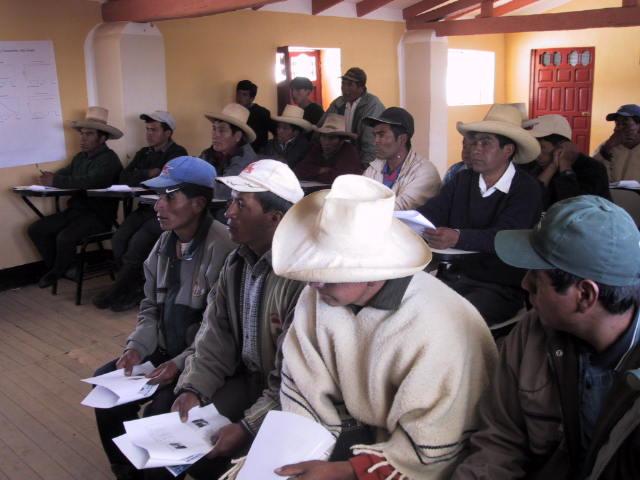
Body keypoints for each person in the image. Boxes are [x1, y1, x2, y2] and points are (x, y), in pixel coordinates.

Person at [257, 175, 496, 480]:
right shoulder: (319, 296)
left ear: (372, 273)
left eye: (325, 274)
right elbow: (304, 389)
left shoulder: (438, 325)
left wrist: (346, 470)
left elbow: (433, 441)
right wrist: (294, 454)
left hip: (419, 457)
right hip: (358, 429)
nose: (313, 283)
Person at [454, 195, 640, 480]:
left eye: (537, 279)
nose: (524, 283)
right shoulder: (533, 332)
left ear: (585, 295)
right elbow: (500, 442)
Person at [93, 156, 236, 480]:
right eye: (159, 197)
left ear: (199, 203)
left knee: (161, 412)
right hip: (162, 349)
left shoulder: (223, 248)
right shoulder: (162, 245)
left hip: (200, 357)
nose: (158, 206)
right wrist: (136, 349)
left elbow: (217, 330)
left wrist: (180, 363)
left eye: (169, 197)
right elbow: (150, 308)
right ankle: (126, 467)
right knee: (106, 390)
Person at [167, 160, 306, 479]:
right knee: (181, 425)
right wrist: (194, 388)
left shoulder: (300, 279)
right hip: (249, 379)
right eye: (231, 201)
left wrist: (247, 426)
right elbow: (215, 335)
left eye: (240, 204)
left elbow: (294, 380)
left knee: (220, 457)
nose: (227, 212)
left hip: (285, 397)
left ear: (275, 218)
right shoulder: (236, 262)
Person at [419, 104, 543, 329]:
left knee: (450, 322)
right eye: (474, 142)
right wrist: (410, 221)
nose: (475, 149)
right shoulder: (462, 180)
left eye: (486, 143)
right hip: (453, 276)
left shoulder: (526, 189)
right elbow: (434, 211)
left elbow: (505, 236)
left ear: (508, 150)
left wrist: (458, 237)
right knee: (412, 306)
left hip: (500, 286)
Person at [93, 110, 188, 311]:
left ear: (168, 133)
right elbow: (124, 177)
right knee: (119, 238)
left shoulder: (178, 153)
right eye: (147, 129)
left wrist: (144, 177)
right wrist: (148, 173)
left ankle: (125, 290)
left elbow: (166, 182)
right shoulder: (144, 153)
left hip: (165, 211)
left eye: (154, 130)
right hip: (145, 208)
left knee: (137, 244)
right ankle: (128, 286)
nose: (149, 134)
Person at [28, 106, 123, 288]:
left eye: (89, 134)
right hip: (76, 211)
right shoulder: (80, 158)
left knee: (65, 237)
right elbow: (65, 174)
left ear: (102, 138)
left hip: (98, 215)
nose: (83, 138)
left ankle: (56, 272)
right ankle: (66, 267)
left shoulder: (109, 159)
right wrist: (50, 178)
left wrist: (56, 180)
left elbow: (90, 181)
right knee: (36, 229)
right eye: (82, 134)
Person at [522, 114, 610, 208]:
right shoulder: (532, 164)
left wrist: (565, 167)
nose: (537, 153)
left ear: (562, 147)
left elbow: (575, 208)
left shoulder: (592, 168)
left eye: (542, 147)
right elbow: (528, 199)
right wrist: (552, 167)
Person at [363, 107, 441, 210]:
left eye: (381, 135)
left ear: (402, 139)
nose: (375, 141)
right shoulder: (374, 168)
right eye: (375, 135)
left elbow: (399, 209)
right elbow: (357, 197)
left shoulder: (425, 172)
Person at [324, 67, 384, 166]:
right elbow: (324, 128)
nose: (344, 88)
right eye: (343, 83)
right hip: (340, 160)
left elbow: (370, 142)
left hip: (360, 161)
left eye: (350, 84)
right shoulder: (338, 103)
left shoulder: (372, 104)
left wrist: (365, 167)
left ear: (361, 87)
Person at [200, 103, 258, 201]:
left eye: (222, 130)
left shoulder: (245, 159)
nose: (215, 135)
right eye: (214, 129)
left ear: (237, 136)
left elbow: (222, 191)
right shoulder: (210, 153)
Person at [293, 113, 363, 183]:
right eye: (323, 136)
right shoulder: (318, 148)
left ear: (341, 141)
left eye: (331, 138)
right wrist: (321, 170)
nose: (326, 142)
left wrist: (313, 173)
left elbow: (338, 179)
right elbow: (299, 170)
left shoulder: (349, 152)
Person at [594, 104, 640, 182]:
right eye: (617, 124)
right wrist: (606, 149)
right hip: (613, 193)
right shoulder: (607, 146)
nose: (617, 129)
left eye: (625, 124)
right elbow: (595, 175)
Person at [260, 104, 312, 169]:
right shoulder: (270, 144)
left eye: (285, 128)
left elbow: (290, 164)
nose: (279, 131)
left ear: (296, 132)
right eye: (279, 127)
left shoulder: (303, 145)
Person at [235, 80, 271, 152]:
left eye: (244, 95)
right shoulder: (233, 111)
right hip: (238, 153)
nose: (239, 97)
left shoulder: (263, 113)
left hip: (257, 154)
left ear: (252, 98)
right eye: (238, 93)